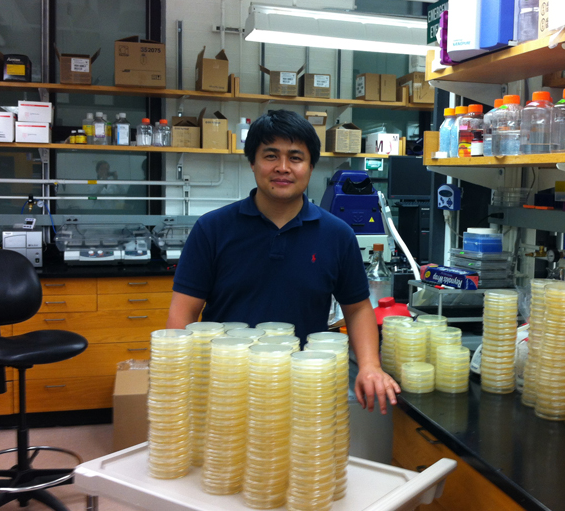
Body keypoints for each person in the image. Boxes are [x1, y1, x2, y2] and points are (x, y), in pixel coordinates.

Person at [167, 109, 400, 414]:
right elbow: (184, 311)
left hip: (305, 384)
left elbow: (357, 310)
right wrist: (177, 371)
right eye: (270, 156)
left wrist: (370, 366)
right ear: (252, 163)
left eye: (295, 157)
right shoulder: (212, 229)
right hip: (226, 387)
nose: (283, 167)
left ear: (311, 166)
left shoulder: (337, 235)